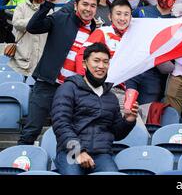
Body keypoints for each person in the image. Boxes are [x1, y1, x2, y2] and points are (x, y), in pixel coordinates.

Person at [18, 0, 99, 145]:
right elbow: (33, 27)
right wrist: (47, 5)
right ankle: (18, 163)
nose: (88, 9)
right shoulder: (62, 17)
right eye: (85, 4)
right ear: (75, 5)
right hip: (47, 84)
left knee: (68, 134)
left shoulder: (97, 30)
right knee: (31, 130)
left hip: (73, 90)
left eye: (93, 6)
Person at [51, 42, 138, 175]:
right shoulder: (68, 88)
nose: (101, 66)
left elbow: (116, 133)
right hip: (70, 151)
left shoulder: (111, 97)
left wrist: (128, 120)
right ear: (85, 64)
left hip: (101, 154)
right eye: (96, 61)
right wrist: (78, 151)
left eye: (105, 62)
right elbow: (61, 123)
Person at [127, 0, 179, 104]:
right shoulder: (141, 12)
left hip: (155, 75)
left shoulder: (177, 22)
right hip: (132, 69)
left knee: (146, 111)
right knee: (126, 107)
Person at [8, 0, 49, 77]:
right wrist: (34, 20)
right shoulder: (21, 7)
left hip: (42, 56)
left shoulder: (48, 10)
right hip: (24, 55)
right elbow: (16, 23)